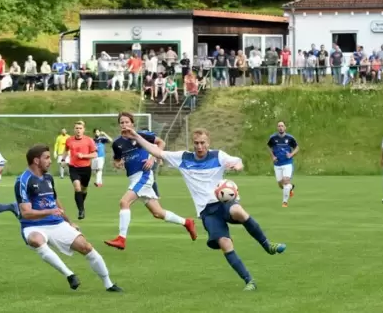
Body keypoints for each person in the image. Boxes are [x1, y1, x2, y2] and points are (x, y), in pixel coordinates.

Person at [122, 126, 286, 290]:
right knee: (225, 243)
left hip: (223, 202)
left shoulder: (218, 156)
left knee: (238, 211)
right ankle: (249, 281)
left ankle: (267, 246)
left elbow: (238, 161)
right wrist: (136, 136)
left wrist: (238, 166)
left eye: (202, 143)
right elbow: (157, 152)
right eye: (196, 143)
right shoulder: (184, 158)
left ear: (208, 143)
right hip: (207, 212)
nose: (199, 147)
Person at [14, 144, 122, 291]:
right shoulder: (23, 180)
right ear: (36, 161)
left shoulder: (48, 178)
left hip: (56, 223)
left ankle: (109, 284)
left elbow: (55, 202)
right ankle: (70, 275)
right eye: (46, 158)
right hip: (33, 225)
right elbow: (26, 212)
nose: (50, 161)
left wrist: (69, 222)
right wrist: (49, 212)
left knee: (86, 247)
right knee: (36, 240)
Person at [104, 112, 196, 250]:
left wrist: (152, 158)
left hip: (144, 175)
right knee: (158, 213)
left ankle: (121, 239)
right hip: (133, 178)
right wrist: (118, 163)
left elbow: (161, 143)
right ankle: (187, 222)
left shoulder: (141, 135)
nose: (124, 125)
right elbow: (116, 160)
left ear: (132, 124)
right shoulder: (117, 143)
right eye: (122, 122)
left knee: (124, 202)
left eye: (127, 122)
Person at [61, 121, 97, 220]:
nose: (78, 130)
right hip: (73, 168)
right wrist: (63, 160)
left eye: (80, 128)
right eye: (76, 128)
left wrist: (84, 156)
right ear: (74, 129)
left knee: (84, 189)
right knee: (77, 188)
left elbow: (94, 154)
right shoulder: (69, 140)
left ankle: (81, 204)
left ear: (84, 130)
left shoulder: (89, 140)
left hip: (86, 168)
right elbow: (66, 150)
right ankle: (81, 210)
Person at [267, 121, 298, 208]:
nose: (280, 127)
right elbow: (269, 147)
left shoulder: (290, 138)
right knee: (281, 185)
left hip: (287, 163)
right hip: (277, 164)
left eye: (282, 126)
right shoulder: (273, 138)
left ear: (285, 128)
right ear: (277, 128)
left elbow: (297, 147)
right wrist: (273, 156)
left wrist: (291, 154)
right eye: (279, 126)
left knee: (285, 180)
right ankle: (290, 187)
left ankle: (285, 202)